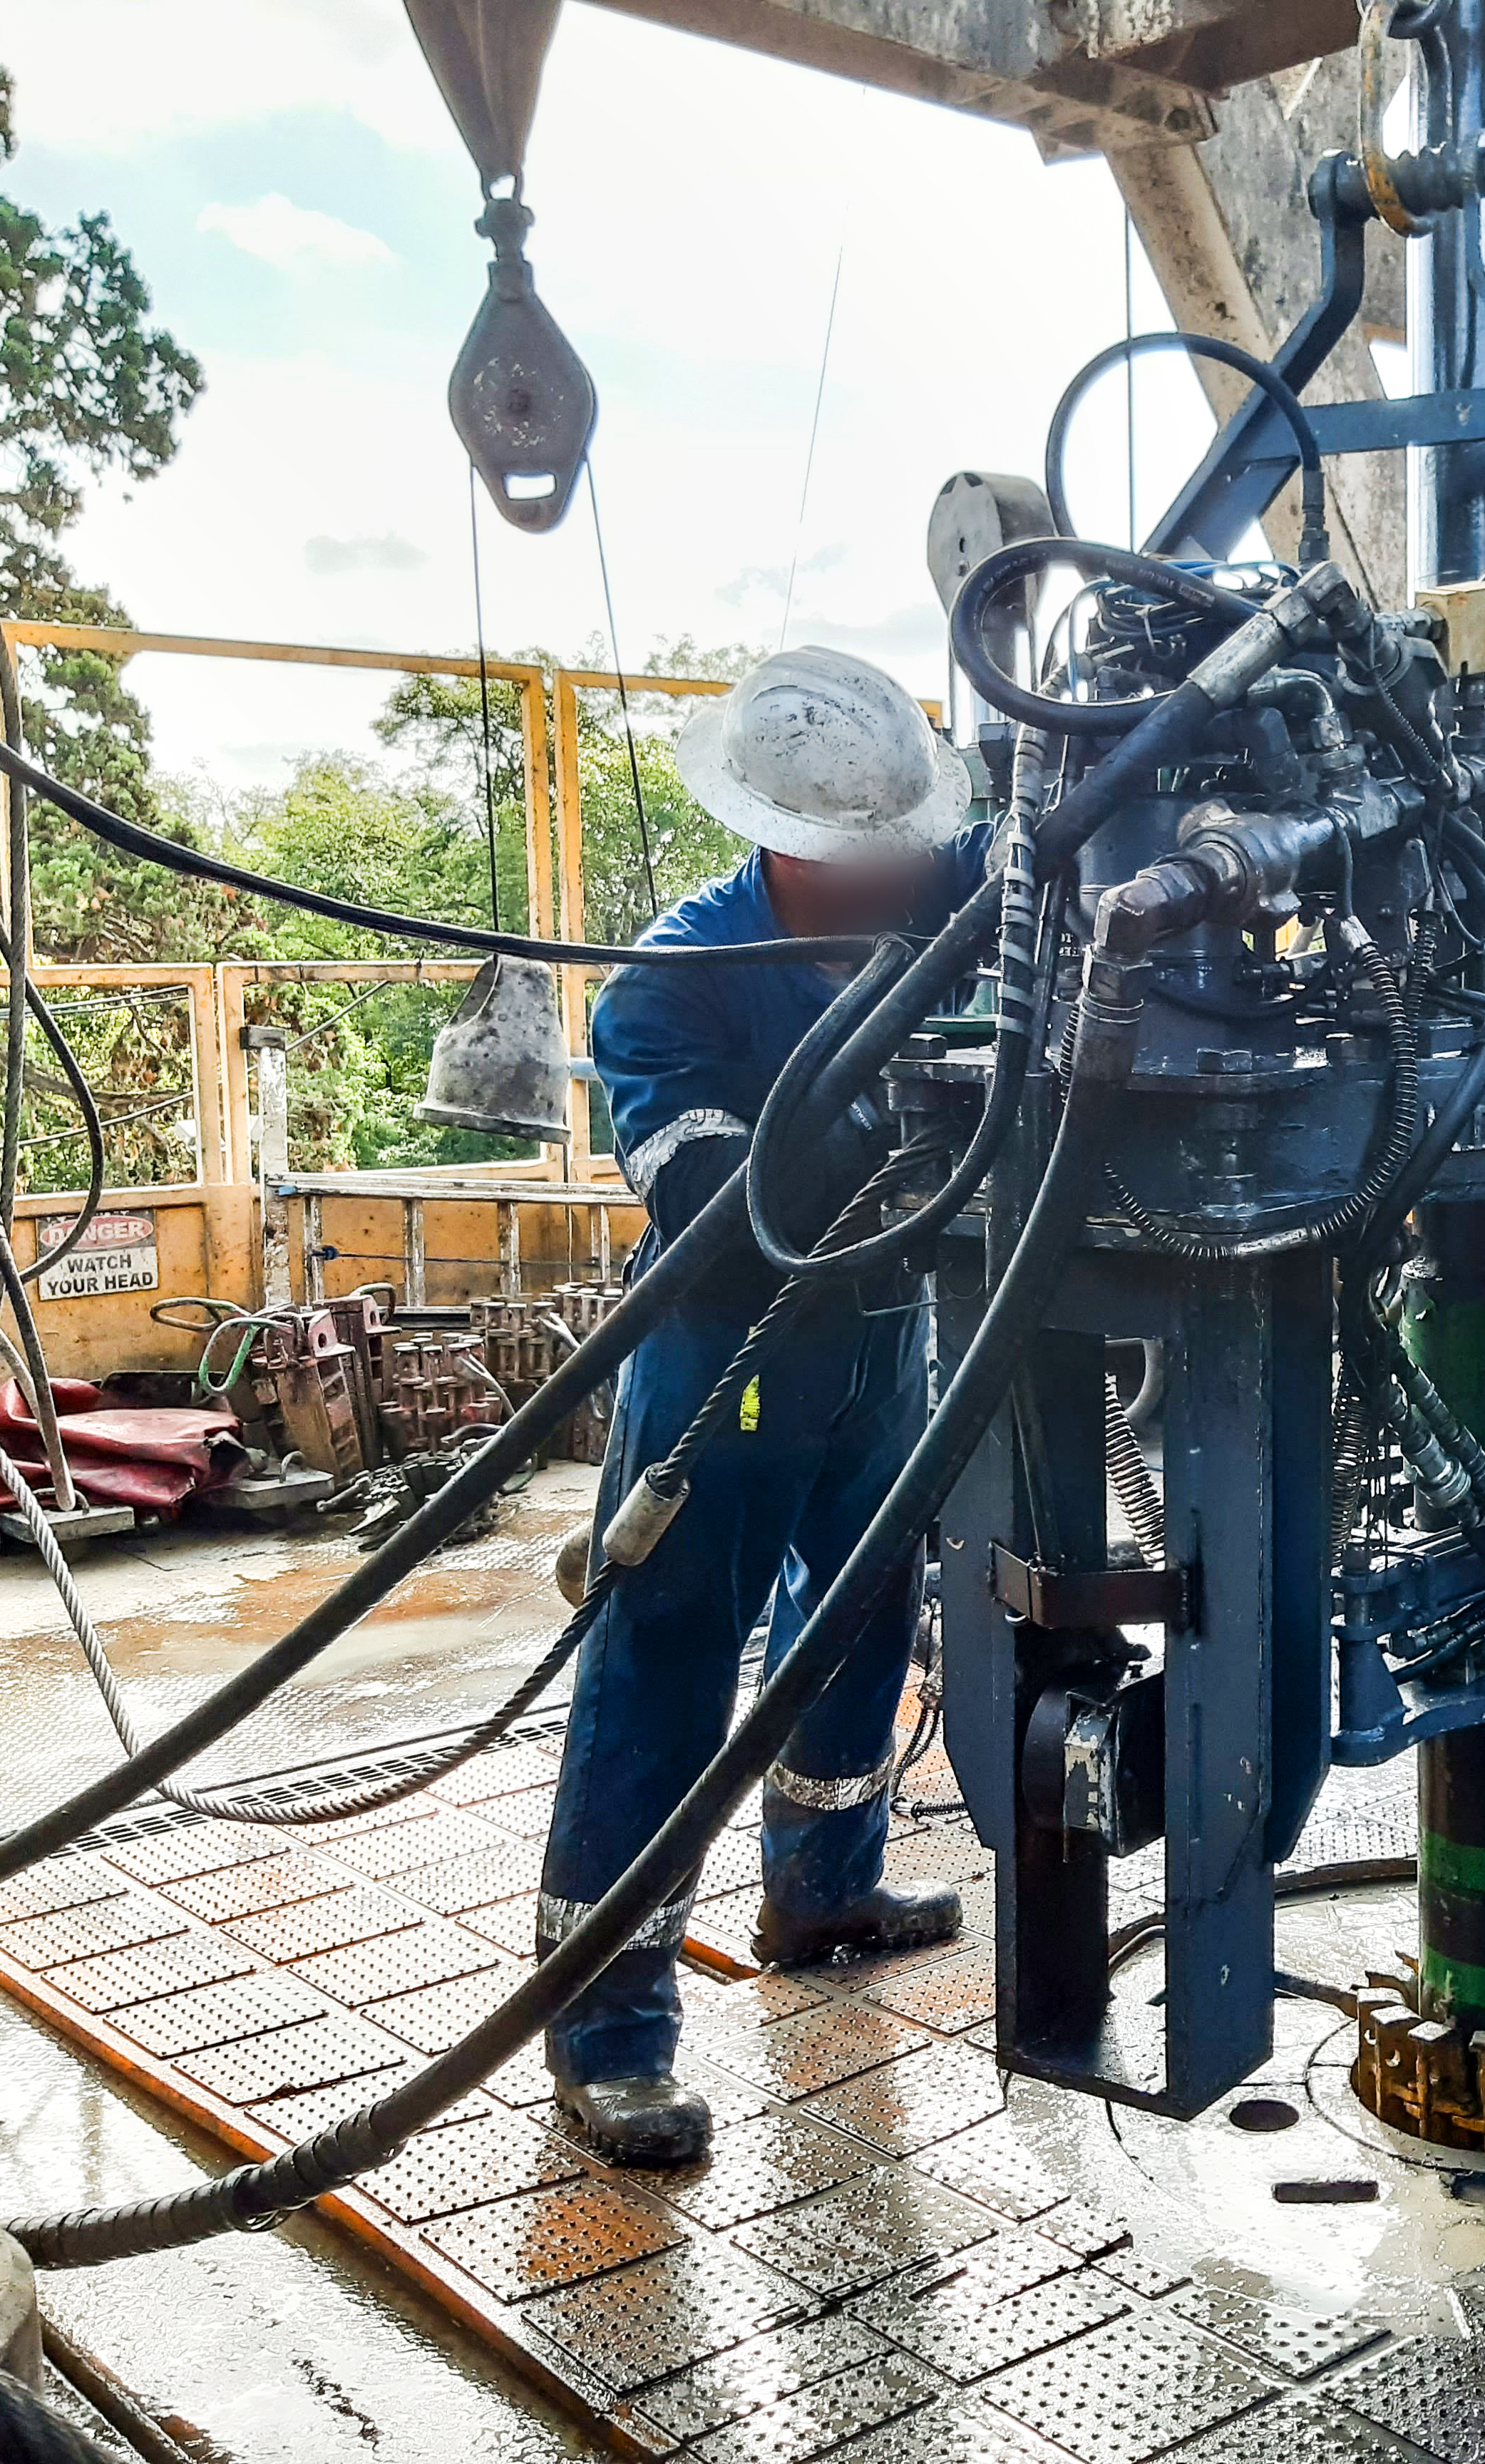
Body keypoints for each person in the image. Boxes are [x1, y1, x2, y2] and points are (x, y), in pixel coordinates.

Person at [538, 645, 990, 2167]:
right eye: (873, 856)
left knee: (862, 1616)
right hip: (729, 1367)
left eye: (912, 848)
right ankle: (610, 2034)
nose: (900, 876)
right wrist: (874, 1107)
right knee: (665, 1665)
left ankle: (824, 1886)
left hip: (888, 1340)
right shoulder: (681, 979)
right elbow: (720, 1211)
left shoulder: (940, 898)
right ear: (787, 843)